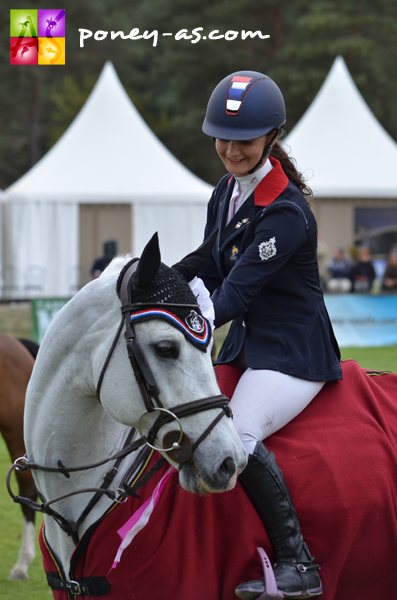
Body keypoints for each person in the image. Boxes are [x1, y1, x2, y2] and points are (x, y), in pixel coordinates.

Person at [194, 70, 342, 600]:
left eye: (244, 141)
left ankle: (300, 564)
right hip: (248, 346)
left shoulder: (287, 212)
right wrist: (148, 281)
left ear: (271, 138)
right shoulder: (227, 190)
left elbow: (235, 294)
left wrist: (191, 320)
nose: (230, 150)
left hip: (292, 352)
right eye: (223, 137)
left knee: (239, 434)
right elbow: (208, 263)